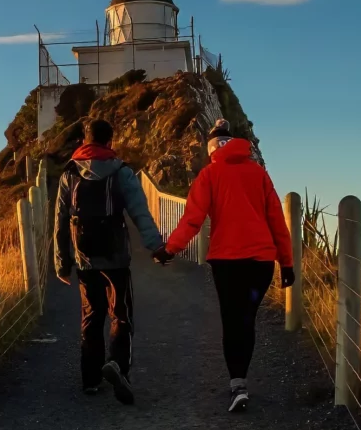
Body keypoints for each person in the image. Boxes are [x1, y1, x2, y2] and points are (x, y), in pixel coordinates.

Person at [165, 118, 292, 412]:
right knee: (246, 320)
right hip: (260, 263)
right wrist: (286, 263)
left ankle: (238, 383)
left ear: (211, 149)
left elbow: (193, 219)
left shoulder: (210, 175)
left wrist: (170, 249)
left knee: (231, 320)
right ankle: (240, 380)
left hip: (226, 263)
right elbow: (277, 221)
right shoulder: (258, 173)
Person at [53, 117, 169, 404]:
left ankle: (90, 380)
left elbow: (60, 220)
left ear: (85, 140)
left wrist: (62, 263)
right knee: (121, 316)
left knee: (91, 317)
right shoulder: (121, 171)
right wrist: (156, 248)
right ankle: (118, 366)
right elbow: (140, 212)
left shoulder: (70, 171)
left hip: (85, 259)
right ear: (109, 141)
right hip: (116, 258)